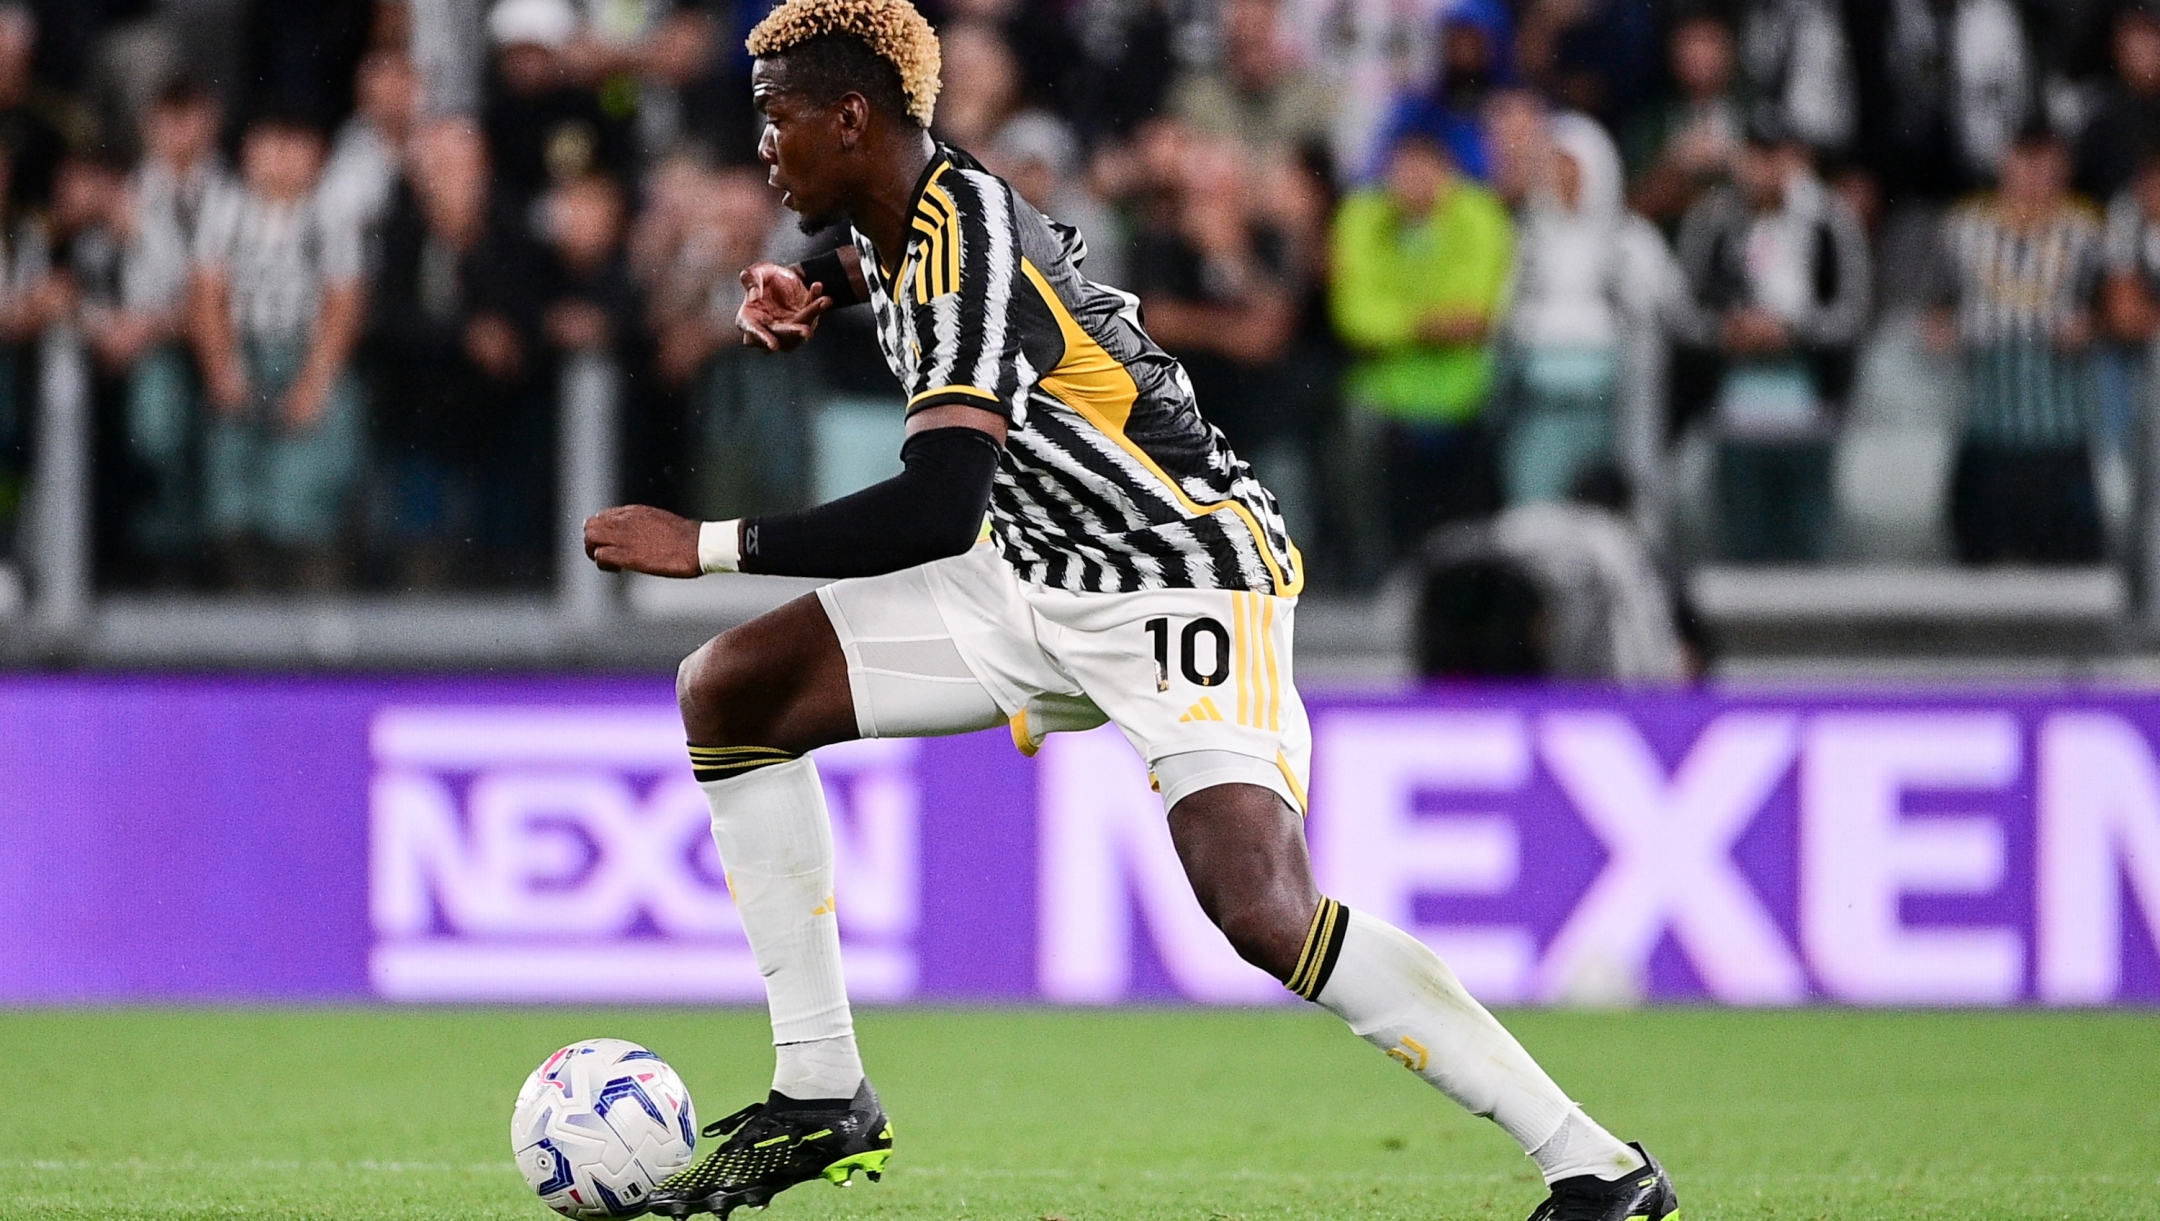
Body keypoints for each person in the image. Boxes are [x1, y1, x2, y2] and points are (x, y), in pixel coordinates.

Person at [579, 3, 1680, 1220]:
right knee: (731, 693)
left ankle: (1595, 1163)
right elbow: (955, 285)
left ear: (853, 118)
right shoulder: (910, 213)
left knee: (1263, 912)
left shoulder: (961, 242)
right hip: (1034, 570)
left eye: (778, 117)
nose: (765, 148)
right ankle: (822, 1091)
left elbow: (939, 506)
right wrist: (824, 286)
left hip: (1177, 576)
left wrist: (708, 544)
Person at [1672, 115, 1871, 563]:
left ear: (1799, 161)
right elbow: (1681, 309)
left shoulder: (1831, 219)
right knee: (1744, 545)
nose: (1767, 169)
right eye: (1756, 157)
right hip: (1734, 414)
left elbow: (1854, 310)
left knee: (1807, 547)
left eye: (1778, 157)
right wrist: (1727, 330)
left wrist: (1792, 331)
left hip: (1811, 414)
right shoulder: (1713, 218)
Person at [190, 109, 368, 589]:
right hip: (242, 351)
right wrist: (221, 367)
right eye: (268, 143)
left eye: (293, 145)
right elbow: (206, 292)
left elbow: (344, 300)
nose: (280, 159)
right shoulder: (225, 206)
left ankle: (312, 617)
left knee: (304, 496)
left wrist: (315, 380)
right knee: (232, 498)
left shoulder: (331, 209)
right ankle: (243, 609)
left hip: (307, 354)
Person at [1330, 130, 1514, 566]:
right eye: (1402, 171)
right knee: (1356, 438)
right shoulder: (1361, 216)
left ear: (1447, 173)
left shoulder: (1479, 213)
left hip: (1465, 389)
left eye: (1424, 170)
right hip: (1386, 391)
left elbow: (1477, 314)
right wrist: (1429, 324)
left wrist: (1399, 323)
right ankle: (1373, 570)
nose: (1413, 182)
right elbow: (1354, 318)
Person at [1928, 125, 2106, 564]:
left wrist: (2092, 327)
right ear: (2005, 162)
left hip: (2059, 428)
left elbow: (2109, 312)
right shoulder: (1963, 229)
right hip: (1985, 425)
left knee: (2068, 563)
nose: (2037, 176)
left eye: (2049, 165)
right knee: (1978, 557)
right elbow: (1934, 310)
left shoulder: (2087, 232)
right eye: (2027, 162)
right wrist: (1946, 332)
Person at [1502, 113, 1675, 505]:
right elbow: (1506, 320)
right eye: (1555, 169)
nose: (1563, 181)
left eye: (1572, 169)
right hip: (1538, 404)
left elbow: (1662, 317)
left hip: (1613, 406)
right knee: (1536, 504)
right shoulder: (1526, 242)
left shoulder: (1631, 240)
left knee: (1605, 506)